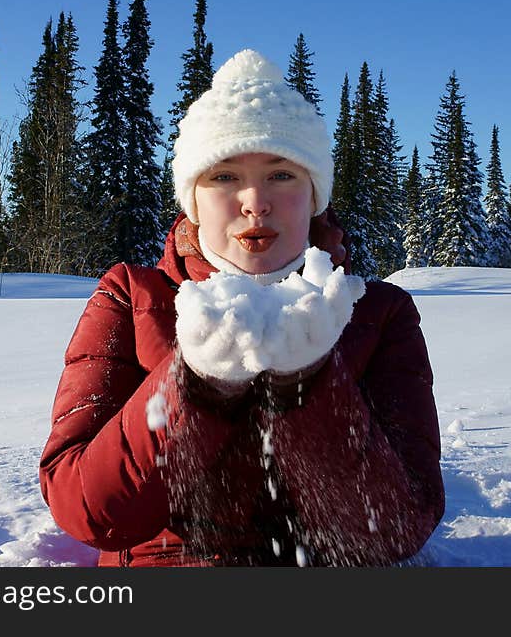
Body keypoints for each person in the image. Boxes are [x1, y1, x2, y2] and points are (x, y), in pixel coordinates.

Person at [39, 49, 444, 566]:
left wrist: (309, 381)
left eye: (281, 175)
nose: (255, 200)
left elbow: (394, 530)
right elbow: (89, 512)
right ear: (194, 201)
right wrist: (196, 383)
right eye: (225, 176)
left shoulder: (377, 313)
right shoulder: (131, 297)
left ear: (314, 194)